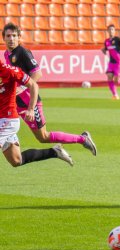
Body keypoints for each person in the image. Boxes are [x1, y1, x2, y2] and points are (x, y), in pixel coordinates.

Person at [2, 23, 97, 157]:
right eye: (8, 36)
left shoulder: (22, 52)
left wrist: (23, 88)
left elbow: (38, 73)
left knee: (43, 137)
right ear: (4, 38)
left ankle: (82, 139)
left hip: (30, 101)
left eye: (14, 36)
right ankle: (14, 155)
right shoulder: (7, 54)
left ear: (19, 37)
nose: (11, 39)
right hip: (17, 103)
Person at [0, 60, 73, 167]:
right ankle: (55, 151)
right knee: (16, 160)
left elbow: (33, 85)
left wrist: (31, 109)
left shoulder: (9, 70)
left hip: (8, 120)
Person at [101, 24, 120, 100]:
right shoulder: (106, 41)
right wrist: (103, 50)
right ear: (107, 31)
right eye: (110, 29)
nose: (111, 31)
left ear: (114, 31)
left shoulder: (118, 39)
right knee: (109, 77)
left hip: (119, 62)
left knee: (117, 81)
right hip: (111, 63)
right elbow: (106, 49)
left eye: (112, 29)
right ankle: (115, 95)